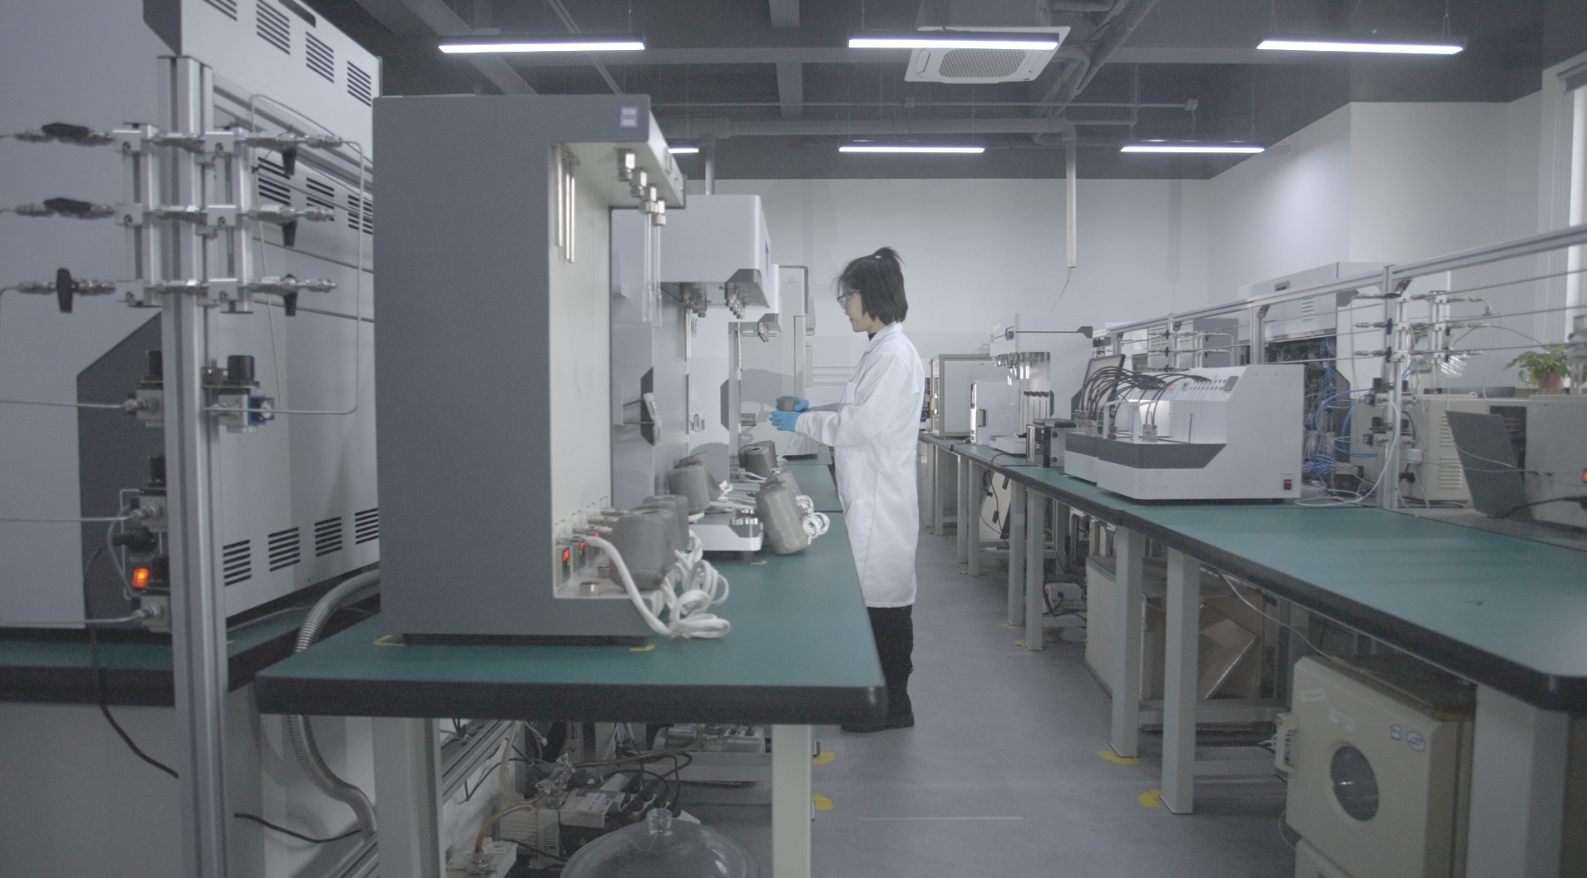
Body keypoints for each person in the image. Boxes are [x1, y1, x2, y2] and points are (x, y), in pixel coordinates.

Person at [769, 247, 925, 732]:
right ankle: (879, 699)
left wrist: (803, 423)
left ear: (870, 295)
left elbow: (859, 426)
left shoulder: (894, 354)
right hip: (872, 491)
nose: (843, 306)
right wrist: (816, 408)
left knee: (886, 606)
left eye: (847, 296)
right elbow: (857, 410)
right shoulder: (880, 349)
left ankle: (893, 706)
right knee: (876, 601)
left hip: (882, 498)